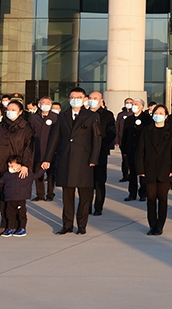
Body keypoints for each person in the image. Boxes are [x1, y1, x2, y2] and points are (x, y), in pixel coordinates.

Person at [41, 87, 102, 236]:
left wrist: (94, 158)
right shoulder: (62, 116)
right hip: (66, 159)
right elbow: (54, 138)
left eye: (79, 97)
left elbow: (97, 138)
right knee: (67, 196)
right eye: (73, 97)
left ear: (84, 99)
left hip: (84, 160)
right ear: (69, 99)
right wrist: (47, 158)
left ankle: (82, 225)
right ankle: (67, 225)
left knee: (84, 195)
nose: (75, 99)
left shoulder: (91, 116)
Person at [0, 100, 34, 233]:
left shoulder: (26, 128)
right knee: (2, 197)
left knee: (17, 199)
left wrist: (25, 165)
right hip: (0, 166)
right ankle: (5, 224)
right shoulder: (0, 127)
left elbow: (29, 149)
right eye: (8, 109)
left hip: (17, 168)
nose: (10, 112)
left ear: (20, 112)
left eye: (13, 109)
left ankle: (19, 225)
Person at [136, 104, 172, 236]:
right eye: (156, 112)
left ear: (166, 116)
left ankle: (160, 225)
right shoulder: (146, 130)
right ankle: (152, 225)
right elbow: (140, 151)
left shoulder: (171, 131)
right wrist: (140, 168)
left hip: (165, 169)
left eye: (161, 113)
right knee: (150, 199)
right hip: (149, 169)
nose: (158, 115)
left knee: (162, 199)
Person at [0, 155, 42, 237]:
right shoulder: (7, 175)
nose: (10, 168)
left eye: (12, 166)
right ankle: (11, 228)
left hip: (20, 199)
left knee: (21, 214)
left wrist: (43, 168)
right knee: (10, 214)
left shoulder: (25, 174)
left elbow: (36, 175)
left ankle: (22, 228)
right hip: (9, 199)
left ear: (19, 166)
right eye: (9, 166)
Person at [87, 92, 116, 216]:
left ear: (100, 100)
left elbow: (111, 133)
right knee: (86, 182)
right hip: (85, 153)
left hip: (100, 153)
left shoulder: (107, 115)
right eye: (90, 98)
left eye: (95, 98)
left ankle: (98, 207)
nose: (92, 100)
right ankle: (86, 206)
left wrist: (100, 145)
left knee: (99, 181)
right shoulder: (84, 113)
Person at [29, 97, 57, 201]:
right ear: (39, 105)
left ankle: (50, 194)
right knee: (38, 174)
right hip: (37, 150)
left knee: (51, 174)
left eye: (47, 103)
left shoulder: (56, 117)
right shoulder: (34, 117)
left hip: (51, 151)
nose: (45, 105)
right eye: (43, 103)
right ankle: (40, 194)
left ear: (51, 104)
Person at [121, 99, 149, 202]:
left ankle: (143, 193)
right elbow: (125, 135)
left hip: (142, 150)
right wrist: (123, 148)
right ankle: (132, 193)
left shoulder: (147, 118)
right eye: (133, 104)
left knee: (142, 172)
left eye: (136, 104)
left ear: (142, 106)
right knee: (132, 172)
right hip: (131, 149)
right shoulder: (129, 119)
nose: (134, 106)